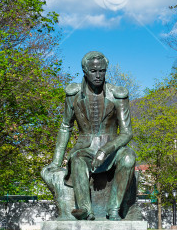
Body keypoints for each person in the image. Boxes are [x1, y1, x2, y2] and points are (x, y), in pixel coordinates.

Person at [48, 51, 136, 220]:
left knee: (129, 157)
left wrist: (105, 150)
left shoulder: (118, 95)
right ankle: (85, 210)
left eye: (102, 71)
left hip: (112, 149)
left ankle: (113, 209)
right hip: (85, 148)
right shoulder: (73, 96)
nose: (98, 75)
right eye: (94, 71)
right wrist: (55, 162)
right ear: (85, 71)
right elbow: (65, 127)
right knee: (78, 159)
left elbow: (126, 133)